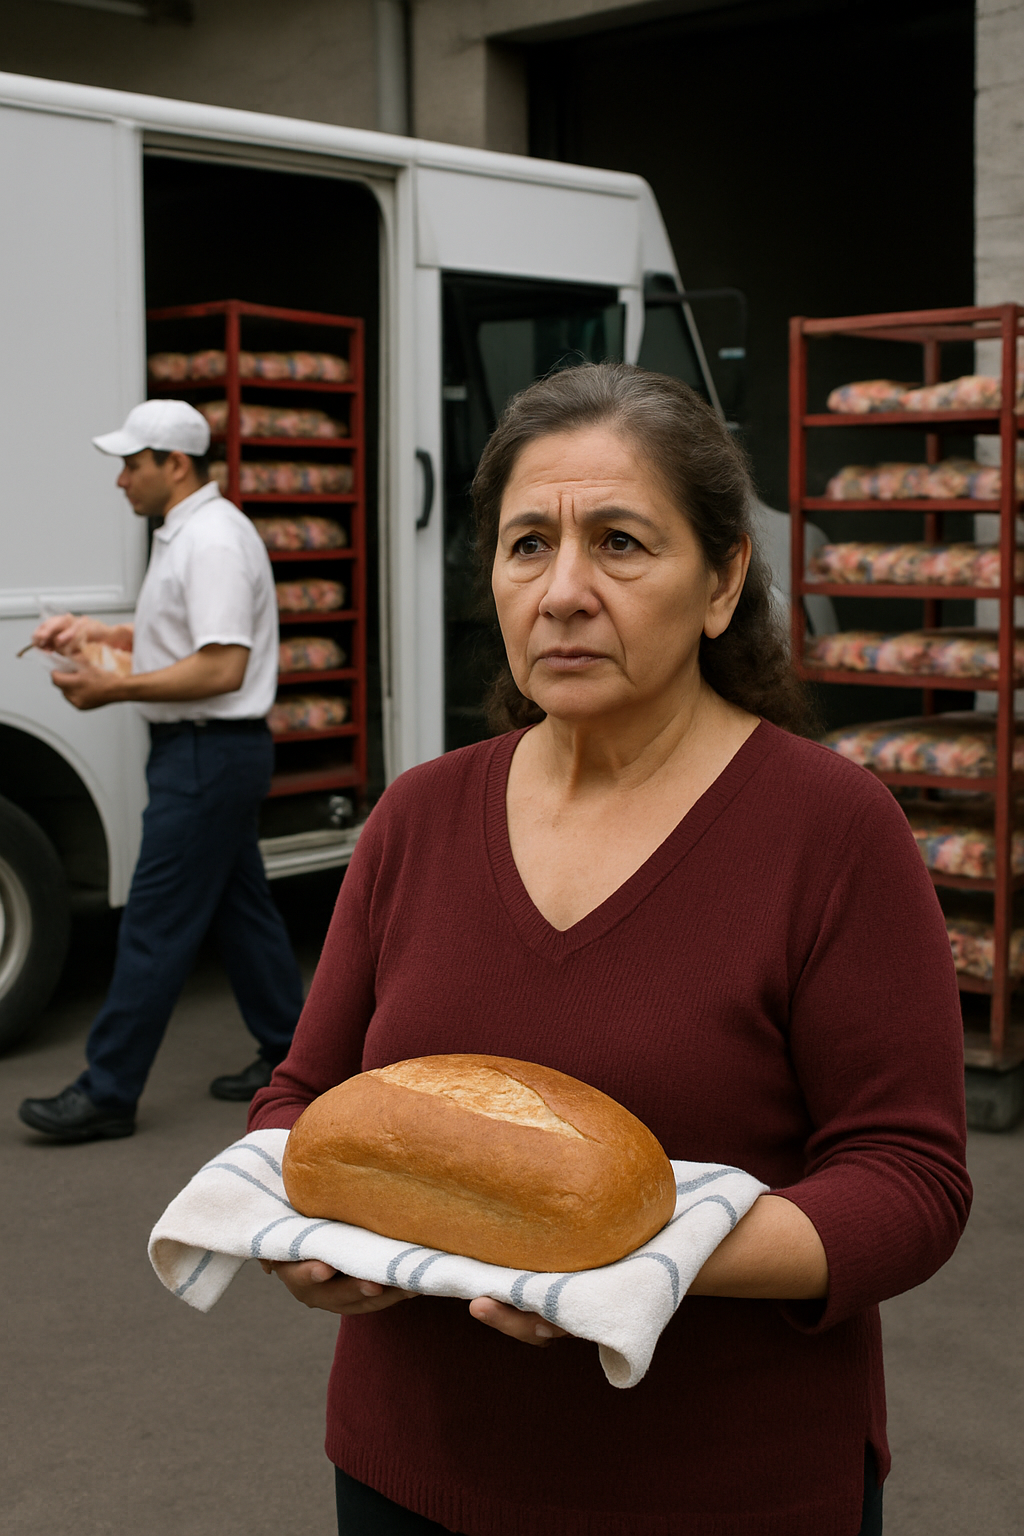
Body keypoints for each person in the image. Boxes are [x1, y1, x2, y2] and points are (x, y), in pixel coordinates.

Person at [248, 364, 971, 1536]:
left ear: (723, 579)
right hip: (408, 1477)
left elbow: (909, 1180)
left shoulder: (828, 830)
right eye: (527, 544)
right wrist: (301, 1235)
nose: (564, 591)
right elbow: (299, 1098)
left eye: (622, 543)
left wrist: (650, 1262)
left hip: (723, 1493)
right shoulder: (419, 816)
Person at [19, 399, 304, 1143]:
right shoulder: (189, 534)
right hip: (212, 752)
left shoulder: (209, 541)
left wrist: (111, 686)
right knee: (243, 915)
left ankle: (108, 1091)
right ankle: (295, 1058)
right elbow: (180, 638)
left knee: (153, 925)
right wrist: (92, 636)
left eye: (130, 464)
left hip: (207, 751)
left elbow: (221, 664)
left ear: (175, 464)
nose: (120, 480)